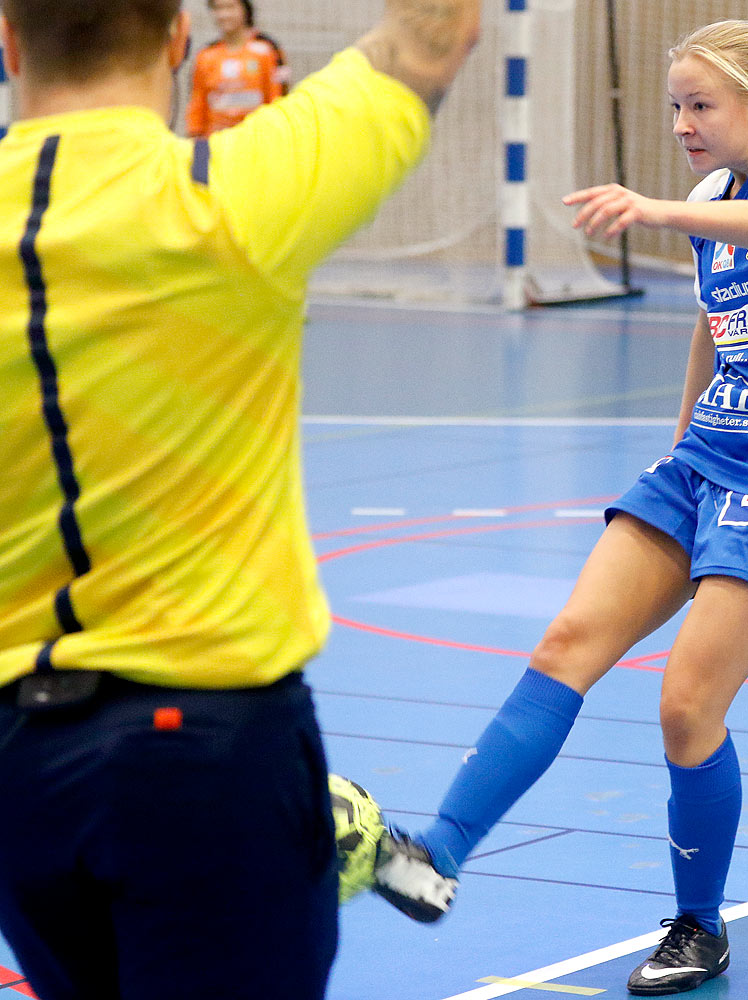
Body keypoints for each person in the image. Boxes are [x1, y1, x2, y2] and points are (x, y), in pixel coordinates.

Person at [372, 19, 748, 997]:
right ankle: (438, 851)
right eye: (675, 105)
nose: (684, 122)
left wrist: (651, 212)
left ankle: (700, 924)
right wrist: (680, 437)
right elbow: (713, 325)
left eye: (702, 105)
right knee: (567, 643)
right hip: (707, 455)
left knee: (687, 706)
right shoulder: (706, 201)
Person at [0, 1, 479, 998]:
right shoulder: (233, 195)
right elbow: (431, 37)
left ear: (7, 42)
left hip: (16, 771)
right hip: (208, 756)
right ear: (180, 41)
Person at [185, 0, 284, 136]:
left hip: (256, 141)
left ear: (245, 10)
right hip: (216, 144)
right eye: (218, 9)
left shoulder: (267, 51)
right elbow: (197, 107)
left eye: (230, 7)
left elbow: (277, 100)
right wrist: (199, 153)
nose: (224, 15)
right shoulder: (205, 55)